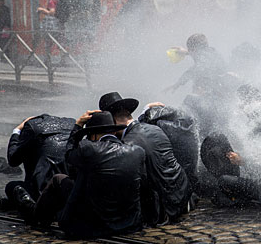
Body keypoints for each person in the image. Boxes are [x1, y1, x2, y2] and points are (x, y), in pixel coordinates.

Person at [33, 110, 145, 238]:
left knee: (58, 179)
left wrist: (78, 125)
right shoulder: (138, 152)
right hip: (130, 225)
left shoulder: (88, 149)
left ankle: (36, 220)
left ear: (93, 135)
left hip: (92, 228)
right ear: (114, 132)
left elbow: (69, 156)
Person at [99, 92, 191, 226]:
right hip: (182, 194)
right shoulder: (155, 128)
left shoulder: (127, 146)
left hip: (162, 209)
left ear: (113, 121)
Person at [0, 114, 75, 213]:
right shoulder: (70, 127)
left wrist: (16, 131)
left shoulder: (32, 130)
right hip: (70, 191)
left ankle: (13, 205)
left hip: (43, 192)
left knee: (12, 186)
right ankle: (7, 204)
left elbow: (13, 160)